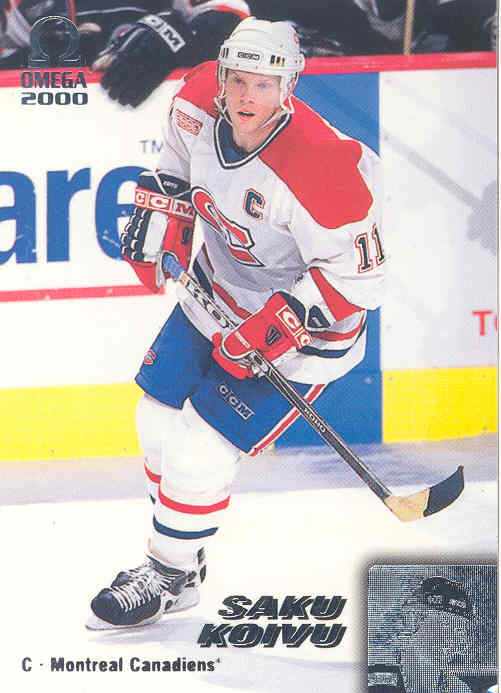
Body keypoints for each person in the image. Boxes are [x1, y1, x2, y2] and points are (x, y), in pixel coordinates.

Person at [87, 16, 384, 630]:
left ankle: (167, 572)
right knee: (155, 419)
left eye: (264, 85)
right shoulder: (197, 99)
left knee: (198, 451)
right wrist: (165, 211)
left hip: (304, 334)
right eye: (238, 80)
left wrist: (282, 322)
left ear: (289, 88)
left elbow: (362, 282)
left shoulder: (324, 169)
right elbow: (176, 164)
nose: (247, 96)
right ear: (220, 75)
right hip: (215, 291)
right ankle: (182, 555)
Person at [368, 576, 475, 692]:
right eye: (446, 624)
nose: (454, 640)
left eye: (460, 630)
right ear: (414, 620)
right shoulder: (377, 676)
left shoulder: (459, 689)